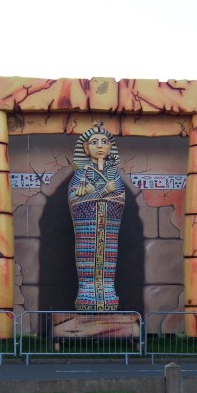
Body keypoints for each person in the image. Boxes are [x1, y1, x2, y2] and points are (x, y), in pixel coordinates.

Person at [68, 122, 125, 311]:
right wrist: (103, 193)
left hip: (109, 227)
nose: (99, 146)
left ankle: (108, 294)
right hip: (87, 227)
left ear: (110, 148)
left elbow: (119, 199)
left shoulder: (114, 174)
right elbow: (75, 200)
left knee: (109, 258)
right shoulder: (81, 175)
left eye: (104, 142)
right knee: (85, 257)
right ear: (85, 148)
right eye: (94, 142)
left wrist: (98, 193)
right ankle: (86, 294)